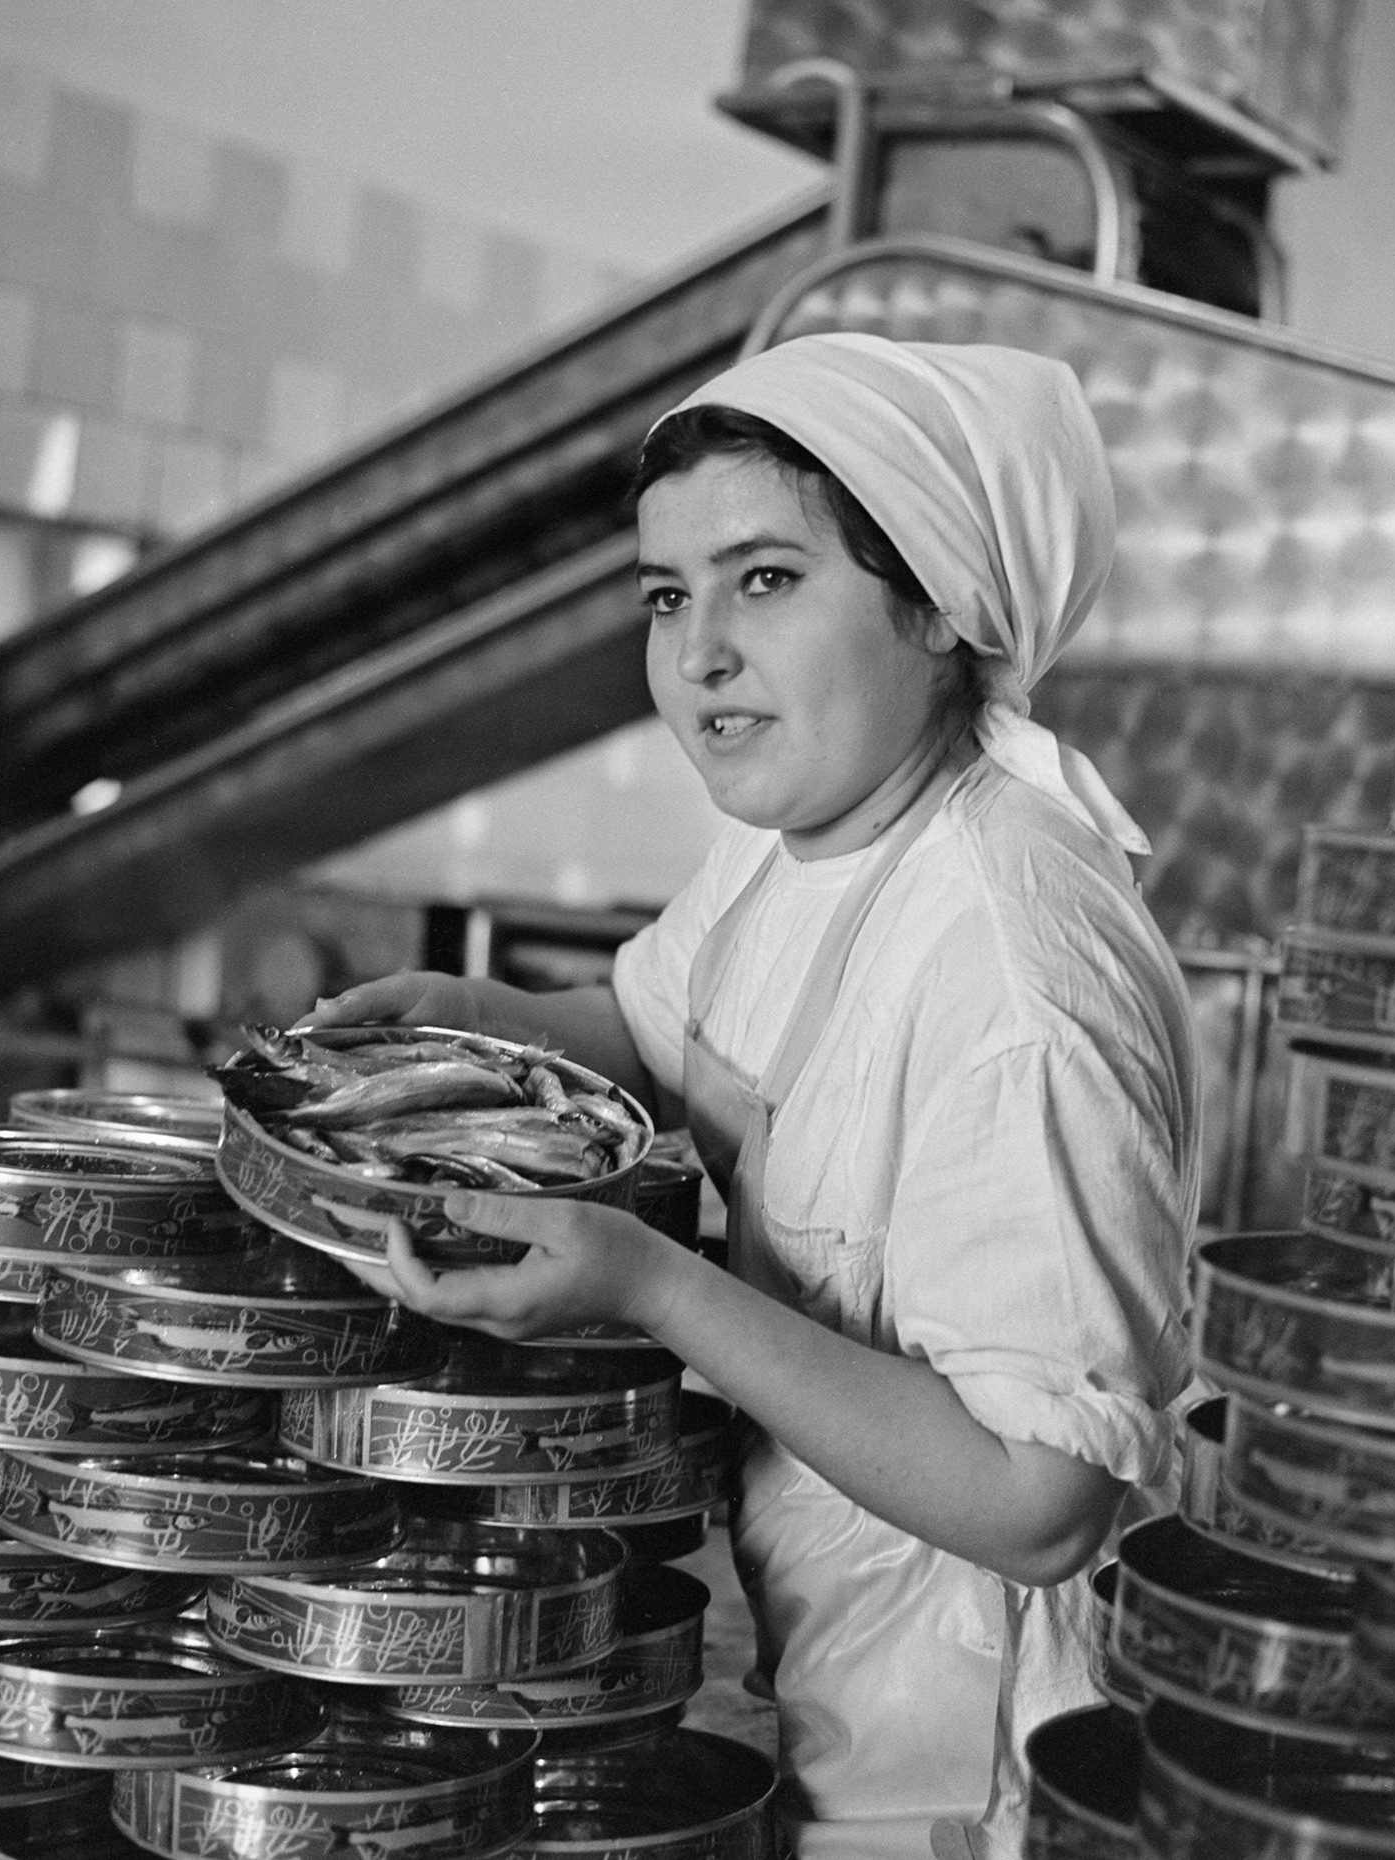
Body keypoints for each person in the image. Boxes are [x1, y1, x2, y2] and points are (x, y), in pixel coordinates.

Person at [305, 332, 1201, 1856]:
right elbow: (665, 1029)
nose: (697, 653)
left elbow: (1041, 1501)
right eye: (669, 596)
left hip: (976, 1770)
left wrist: (652, 1284)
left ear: (938, 601)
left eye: (765, 581)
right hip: (835, 1676)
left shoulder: (1011, 971)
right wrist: (478, 1021)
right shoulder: (802, 837)